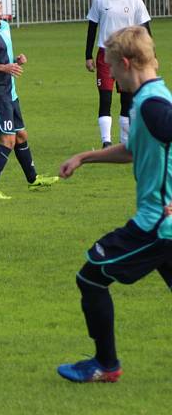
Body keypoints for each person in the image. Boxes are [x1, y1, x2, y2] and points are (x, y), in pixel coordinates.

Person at [57, 26, 172, 383]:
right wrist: (85, 157)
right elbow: (134, 150)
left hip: (157, 224)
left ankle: (106, 365)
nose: (111, 75)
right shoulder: (150, 98)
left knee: (91, 277)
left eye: (112, 68)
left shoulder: (154, 106)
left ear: (125, 62)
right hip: (161, 224)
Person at [0, 0, 59, 200]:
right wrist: (4, 68)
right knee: (8, 140)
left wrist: (17, 61)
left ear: (0, 7)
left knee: (21, 135)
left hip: (11, 92)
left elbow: (5, 58)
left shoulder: (6, 27)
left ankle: (33, 179)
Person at [85, 0, 151, 148]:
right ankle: (106, 141)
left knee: (127, 100)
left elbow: (145, 30)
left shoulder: (136, 2)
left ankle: (125, 141)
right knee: (105, 99)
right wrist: (88, 56)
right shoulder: (100, 1)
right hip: (105, 55)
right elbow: (92, 29)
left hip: (128, 55)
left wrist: (149, 55)